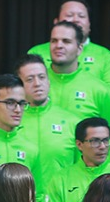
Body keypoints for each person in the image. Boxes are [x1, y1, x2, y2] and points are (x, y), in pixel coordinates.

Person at [27, 0, 110, 107]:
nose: (75, 19)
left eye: (81, 16)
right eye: (69, 15)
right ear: (56, 22)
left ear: (89, 24)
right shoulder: (37, 52)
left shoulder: (105, 56)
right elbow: (22, 92)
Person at [11, 54, 81, 184]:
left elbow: (82, 169)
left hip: (60, 195)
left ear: (49, 81)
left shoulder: (72, 122)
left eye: (42, 77)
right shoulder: (9, 121)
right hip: (19, 194)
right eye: (30, 79)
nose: (37, 84)